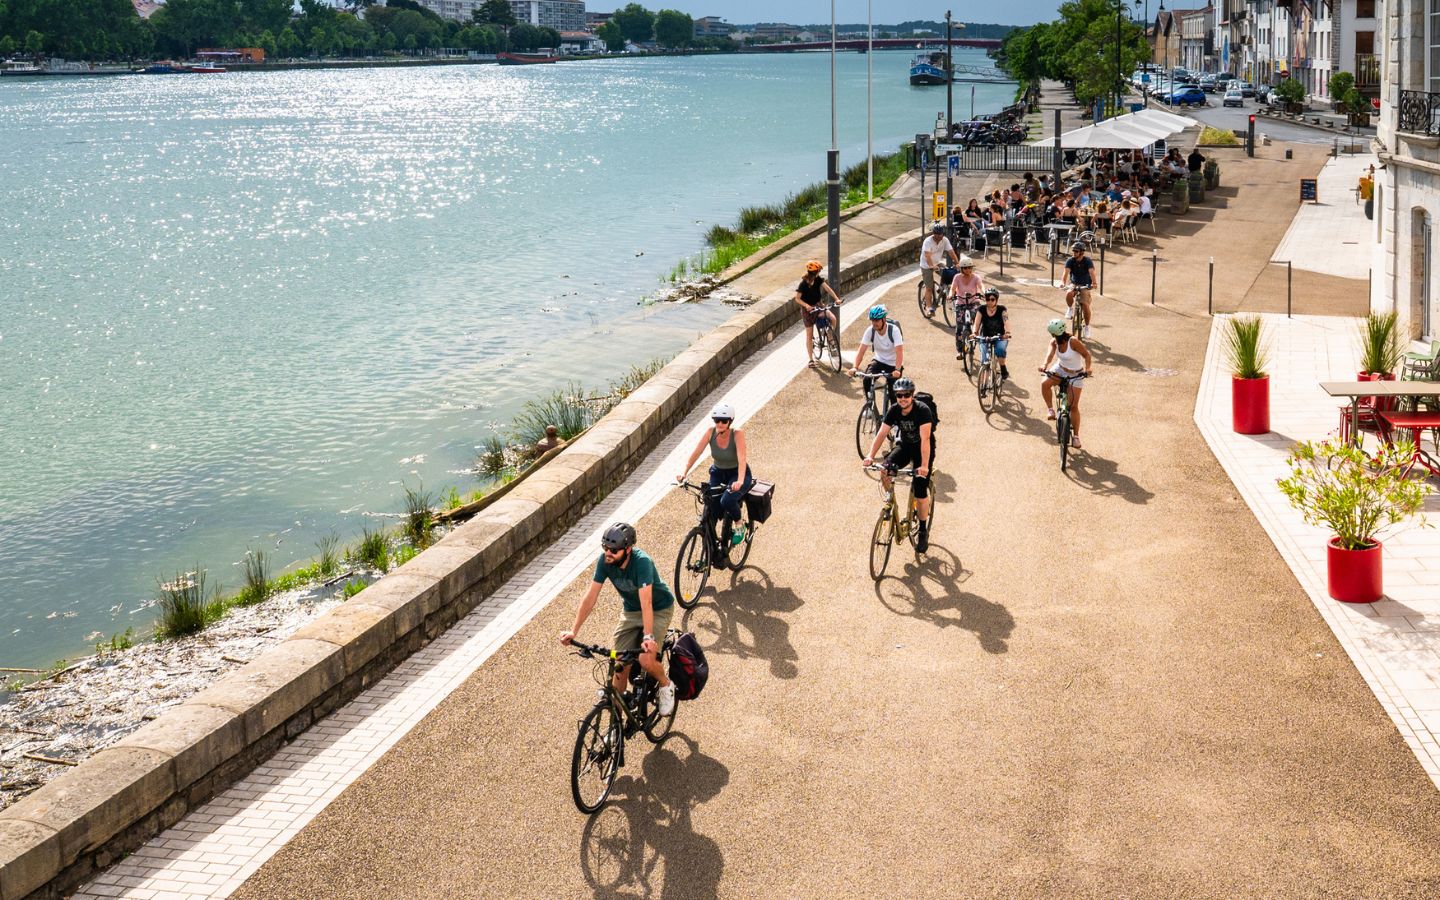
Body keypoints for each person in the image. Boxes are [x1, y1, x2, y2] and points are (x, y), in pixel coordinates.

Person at [559, 523, 676, 716]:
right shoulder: (604, 562)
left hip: (658, 608)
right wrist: (574, 630)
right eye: (605, 548)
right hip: (631, 611)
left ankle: (666, 686)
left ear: (628, 549)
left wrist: (648, 637)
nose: (608, 553)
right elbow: (590, 597)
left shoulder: (642, 562)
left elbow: (646, 603)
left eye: (613, 550)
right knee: (620, 664)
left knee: (646, 660)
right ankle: (616, 726)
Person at [861, 377, 935, 553]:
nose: (903, 398)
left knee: (919, 489)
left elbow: (925, 440)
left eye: (907, 395)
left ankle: (923, 530)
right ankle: (890, 501)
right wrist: (870, 456)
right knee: (885, 469)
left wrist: (924, 466)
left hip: (922, 450)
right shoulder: (894, 410)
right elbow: (882, 433)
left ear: (912, 395)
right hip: (905, 446)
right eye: (900, 395)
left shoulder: (922, 411)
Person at [676, 403, 753, 568]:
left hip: (737, 473)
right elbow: (696, 452)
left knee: (727, 501)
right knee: (710, 510)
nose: (720, 424)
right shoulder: (710, 433)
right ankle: (708, 554)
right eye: (717, 420)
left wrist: (739, 481)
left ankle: (740, 525)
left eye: (724, 421)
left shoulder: (737, 434)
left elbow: (742, 459)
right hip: (718, 473)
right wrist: (684, 472)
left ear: (730, 421)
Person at [1038, 319, 1094, 449]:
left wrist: (1088, 368)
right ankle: (1050, 409)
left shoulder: (1073, 341)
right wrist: (1045, 365)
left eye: (1055, 334)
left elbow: (1087, 355)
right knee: (1045, 383)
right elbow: (1050, 355)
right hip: (1060, 369)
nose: (1055, 337)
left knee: (1073, 407)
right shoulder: (1054, 342)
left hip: (1076, 374)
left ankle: (1076, 436)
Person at [849, 304, 904, 411]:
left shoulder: (894, 330)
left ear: (884, 319)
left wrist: (897, 369)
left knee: (894, 391)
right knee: (867, 380)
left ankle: (896, 420)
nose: (874, 323)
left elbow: (899, 352)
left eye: (877, 320)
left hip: (894, 364)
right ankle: (870, 408)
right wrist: (855, 367)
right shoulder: (870, 330)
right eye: (872, 320)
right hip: (879, 361)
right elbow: (861, 351)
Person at [794, 260, 842, 369]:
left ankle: (830, 338)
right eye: (818, 271)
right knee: (809, 335)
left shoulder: (818, 280)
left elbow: (828, 289)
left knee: (832, 318)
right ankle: (811, 360)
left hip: (818, 305)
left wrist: (836, 299)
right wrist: (806, 306)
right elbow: (797, 298)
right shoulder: (803, 284)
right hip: (808, 311)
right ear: (815, 272)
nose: (819, 273)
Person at [919, 223, 958, 318]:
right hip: (926, 265)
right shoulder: (928, 241)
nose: (940, 236)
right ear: (933, 233)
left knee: (948, 273)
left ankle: (941, 288)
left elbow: (951, 252)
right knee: (929, 287)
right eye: (938, 234)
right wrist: (931, 266)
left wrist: (957, 263)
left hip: (937, 263)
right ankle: (929, 308)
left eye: (941, 234)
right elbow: (927, 256)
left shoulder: (944, 240)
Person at [949, 257, 986, 358]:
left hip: (974, 302)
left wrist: (984, 292)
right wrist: (950, 295)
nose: (967, 270)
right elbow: (952, 289)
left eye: (969, 267)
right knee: (959, 328)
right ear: (961, 269)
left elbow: (981, 285)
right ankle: (960, 351)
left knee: (978, 319)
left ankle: (976, 334)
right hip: (961, 303)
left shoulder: (976, 277)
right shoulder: (957, 277)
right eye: (965, 268)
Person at [971, 287, 1011, 380]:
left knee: (1000, 350)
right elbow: (976, 323)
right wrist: (974, 333)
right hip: (985, 336)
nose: (990, 301)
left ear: (996, 300)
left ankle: (1003, 368)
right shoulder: (981, 309)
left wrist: (1007, 332)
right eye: (987, 299)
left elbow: (1006, 322)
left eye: (992, 299)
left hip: (1000, 336)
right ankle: (984, 384)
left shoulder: (1002, 309)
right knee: (984, 358)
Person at [1060, 241, 1096, 337]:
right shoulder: (1070, 260)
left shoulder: (1087, 261)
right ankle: (1070, 309)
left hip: (1085, 284)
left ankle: (1087, 327)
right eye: (1073, 251)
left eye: (1076, 251)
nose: (1074, 252)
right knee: (1069, 293)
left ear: (1082, 252)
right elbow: (1065, 272)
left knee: (1085, 305)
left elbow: (1092, 272)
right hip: (1074, 283)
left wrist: (1094, 283)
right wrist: (1063, 282)